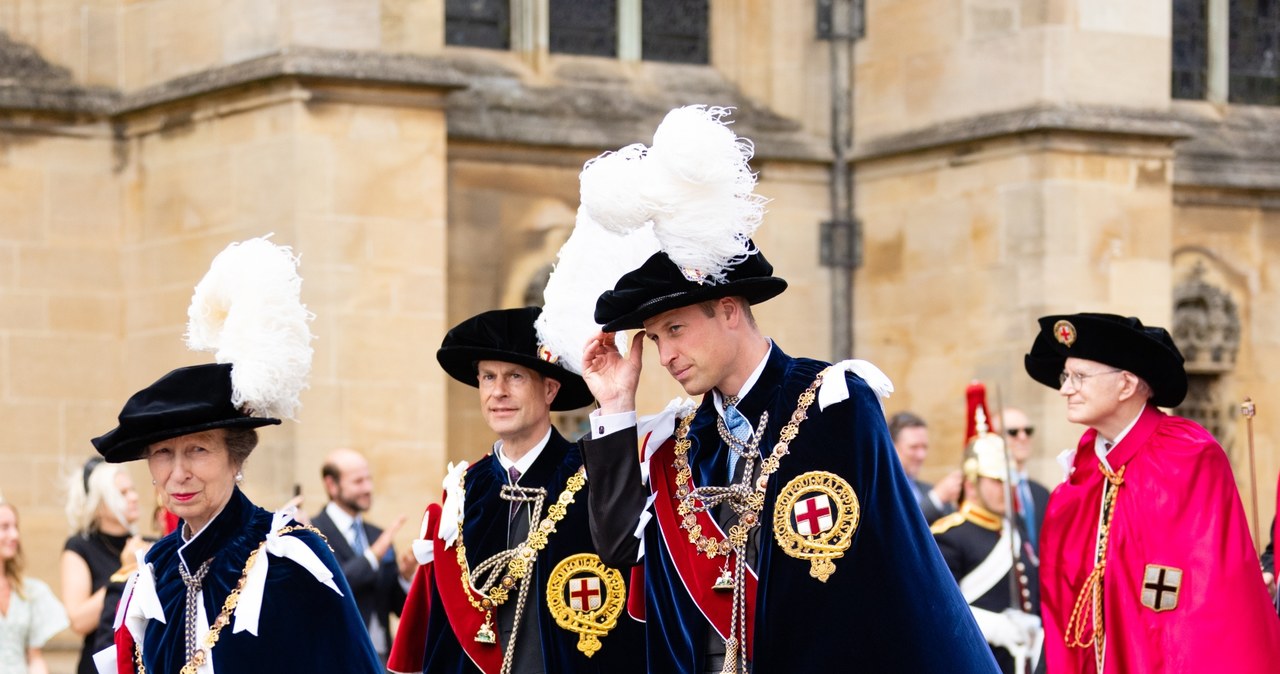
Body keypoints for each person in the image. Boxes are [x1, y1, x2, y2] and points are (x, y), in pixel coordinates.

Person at [575, 106, 997, 672]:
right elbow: (622, 547)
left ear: (728, 310)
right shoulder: (681, 442)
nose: (665, 354)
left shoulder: (833, 403)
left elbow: (877, 578)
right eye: (653, 339)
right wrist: (616, 407)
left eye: (675, 329)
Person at [97, 236, 382, 673]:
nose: (179, 473)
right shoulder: (156, 569)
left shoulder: (290, 556)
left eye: (198, 450)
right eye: (163, 454)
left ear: (237, 458)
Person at [388, 306, 645, 674]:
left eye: (515, 377)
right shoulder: (464, 489)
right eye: (488, 377)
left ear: (550, 389)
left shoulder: (594, 477)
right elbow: (444, 630)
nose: (498, 392)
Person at [1024, 312, 1280, 673]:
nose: (1066, 388)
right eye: (1066, 376)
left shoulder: (1188, 454)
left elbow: (1208, 600)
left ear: (1126, 384)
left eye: (1079, 377)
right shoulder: (1084, 467)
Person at [933, 406, 1042, 674]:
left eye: (1010, 481)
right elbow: (938, 608)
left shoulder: (1013, 529)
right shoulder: (949, 535)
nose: (1007, 489)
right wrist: (994, 627)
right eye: (996, 481)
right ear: (971, 485)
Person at [313, 448, 414, 663]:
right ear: (332, 485)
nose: (368, 488)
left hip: (382, 660)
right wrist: (373, 556)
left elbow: (397, 608)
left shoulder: (378, 534)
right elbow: (335, 585)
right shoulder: (312, 533)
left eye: (369, 479)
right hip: (337, 660)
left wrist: (405, 578)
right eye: (358, 481)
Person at [60, 457, 142, 674]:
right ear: (99, 504)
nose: (134, 497)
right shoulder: (80, 546)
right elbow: (78, 620)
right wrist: (125, 570)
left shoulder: (147, 543)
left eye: (132, 490)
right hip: (100, 660)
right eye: (123, 493)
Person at [0, 498, 70, 674]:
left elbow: (35, 657)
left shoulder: (29, 591)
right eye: (5, 527)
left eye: (16, 526)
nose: (15, 535)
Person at [888, 411, 961, 523]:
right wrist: (936, 499)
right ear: (892, 448)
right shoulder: (880, 491)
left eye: (924, 447)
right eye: (914, 447)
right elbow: (899, 527)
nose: (921, 455)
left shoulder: (927, 489)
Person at [998, 408, 1051, 552]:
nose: (1022, 437)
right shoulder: (993, 492)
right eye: (1013, 432)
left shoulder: (1041, 492)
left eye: (1027, 431)